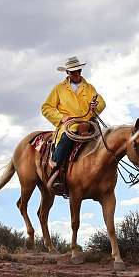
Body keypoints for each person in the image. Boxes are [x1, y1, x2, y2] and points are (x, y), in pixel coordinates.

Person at [41, 56, 106, 191]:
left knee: (106, 143)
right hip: (69, 126)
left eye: (79, 71)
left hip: (88, 124)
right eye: (73, 72)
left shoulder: (89, 88)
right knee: (66, 140)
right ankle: (55, 171)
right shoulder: (59, 89)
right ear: (67, 73)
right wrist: (61, 117)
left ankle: (105, 175)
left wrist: (95, 106)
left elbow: (101, 103)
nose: (77, 74)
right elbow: (46, 108)